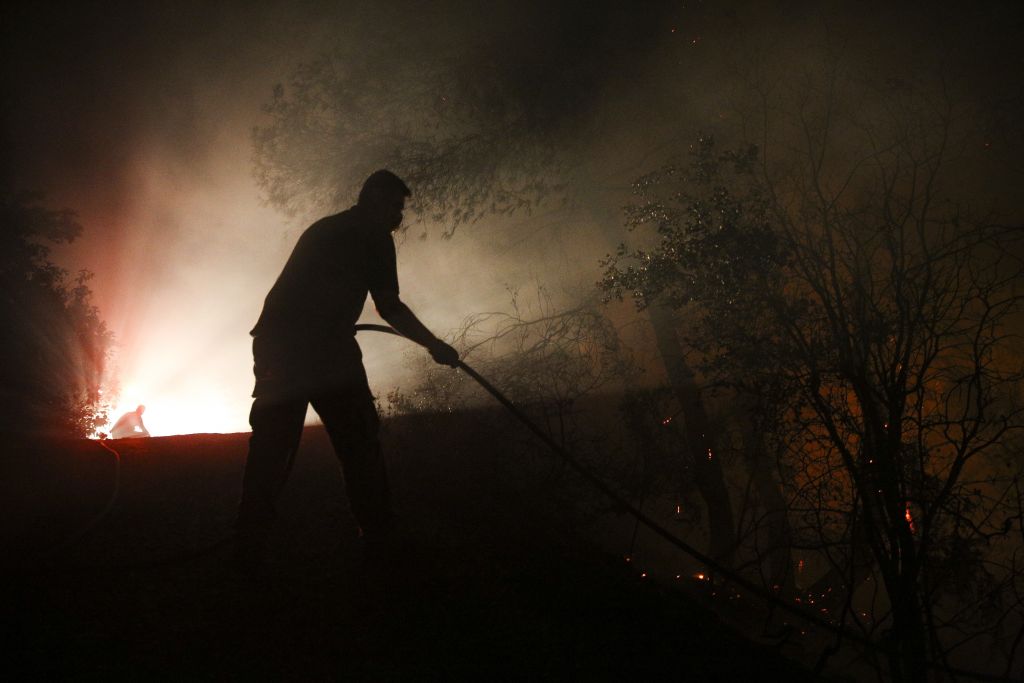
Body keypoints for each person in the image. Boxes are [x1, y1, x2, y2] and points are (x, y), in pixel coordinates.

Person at [233, 169, 459, 569]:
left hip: (283, 344)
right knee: (357, 445)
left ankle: (248, 545)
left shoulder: (326, 229)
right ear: (373, 200)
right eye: (394, 206)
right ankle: (379, 539)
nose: (398, 217)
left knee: (273, 446)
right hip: (318, 349)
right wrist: (434, 345)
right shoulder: (375, 237)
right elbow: (388, 305)